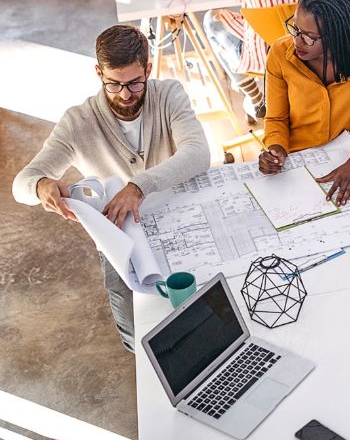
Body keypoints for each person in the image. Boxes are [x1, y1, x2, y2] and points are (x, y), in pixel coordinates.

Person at [12, 25, 210, 352]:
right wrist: (41, 185)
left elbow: (199, 153)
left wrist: (138, 186)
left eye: (134, 82)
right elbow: (21, 184)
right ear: (98, 73)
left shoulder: (169, 94)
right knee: (139, 337)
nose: (124, 94)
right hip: (121, 237)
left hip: (177, 217)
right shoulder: (78, 122)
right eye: (113, 83)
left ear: (148, 69)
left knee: (205, 304)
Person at [257, 0, 350, 206]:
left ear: (338, 36)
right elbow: (277, 118)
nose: (298, 41)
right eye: (295, 29)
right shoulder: (279, 53)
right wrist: (276, 151)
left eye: (309, 37)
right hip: (299, 159)